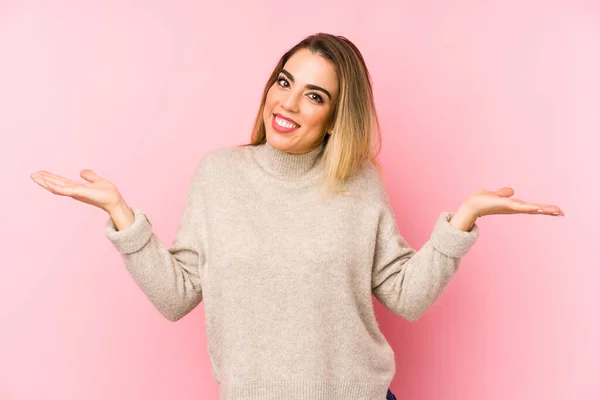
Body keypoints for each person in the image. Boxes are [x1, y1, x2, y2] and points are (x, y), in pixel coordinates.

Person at [31, 32, 564, 400]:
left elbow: (407, 295)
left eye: (314, 96)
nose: (287, 104)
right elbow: (177, 296)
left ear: (335, 116)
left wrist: (463, 219)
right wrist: (121, 215)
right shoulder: (219, 174)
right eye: (284, 82)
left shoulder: (358, 181)